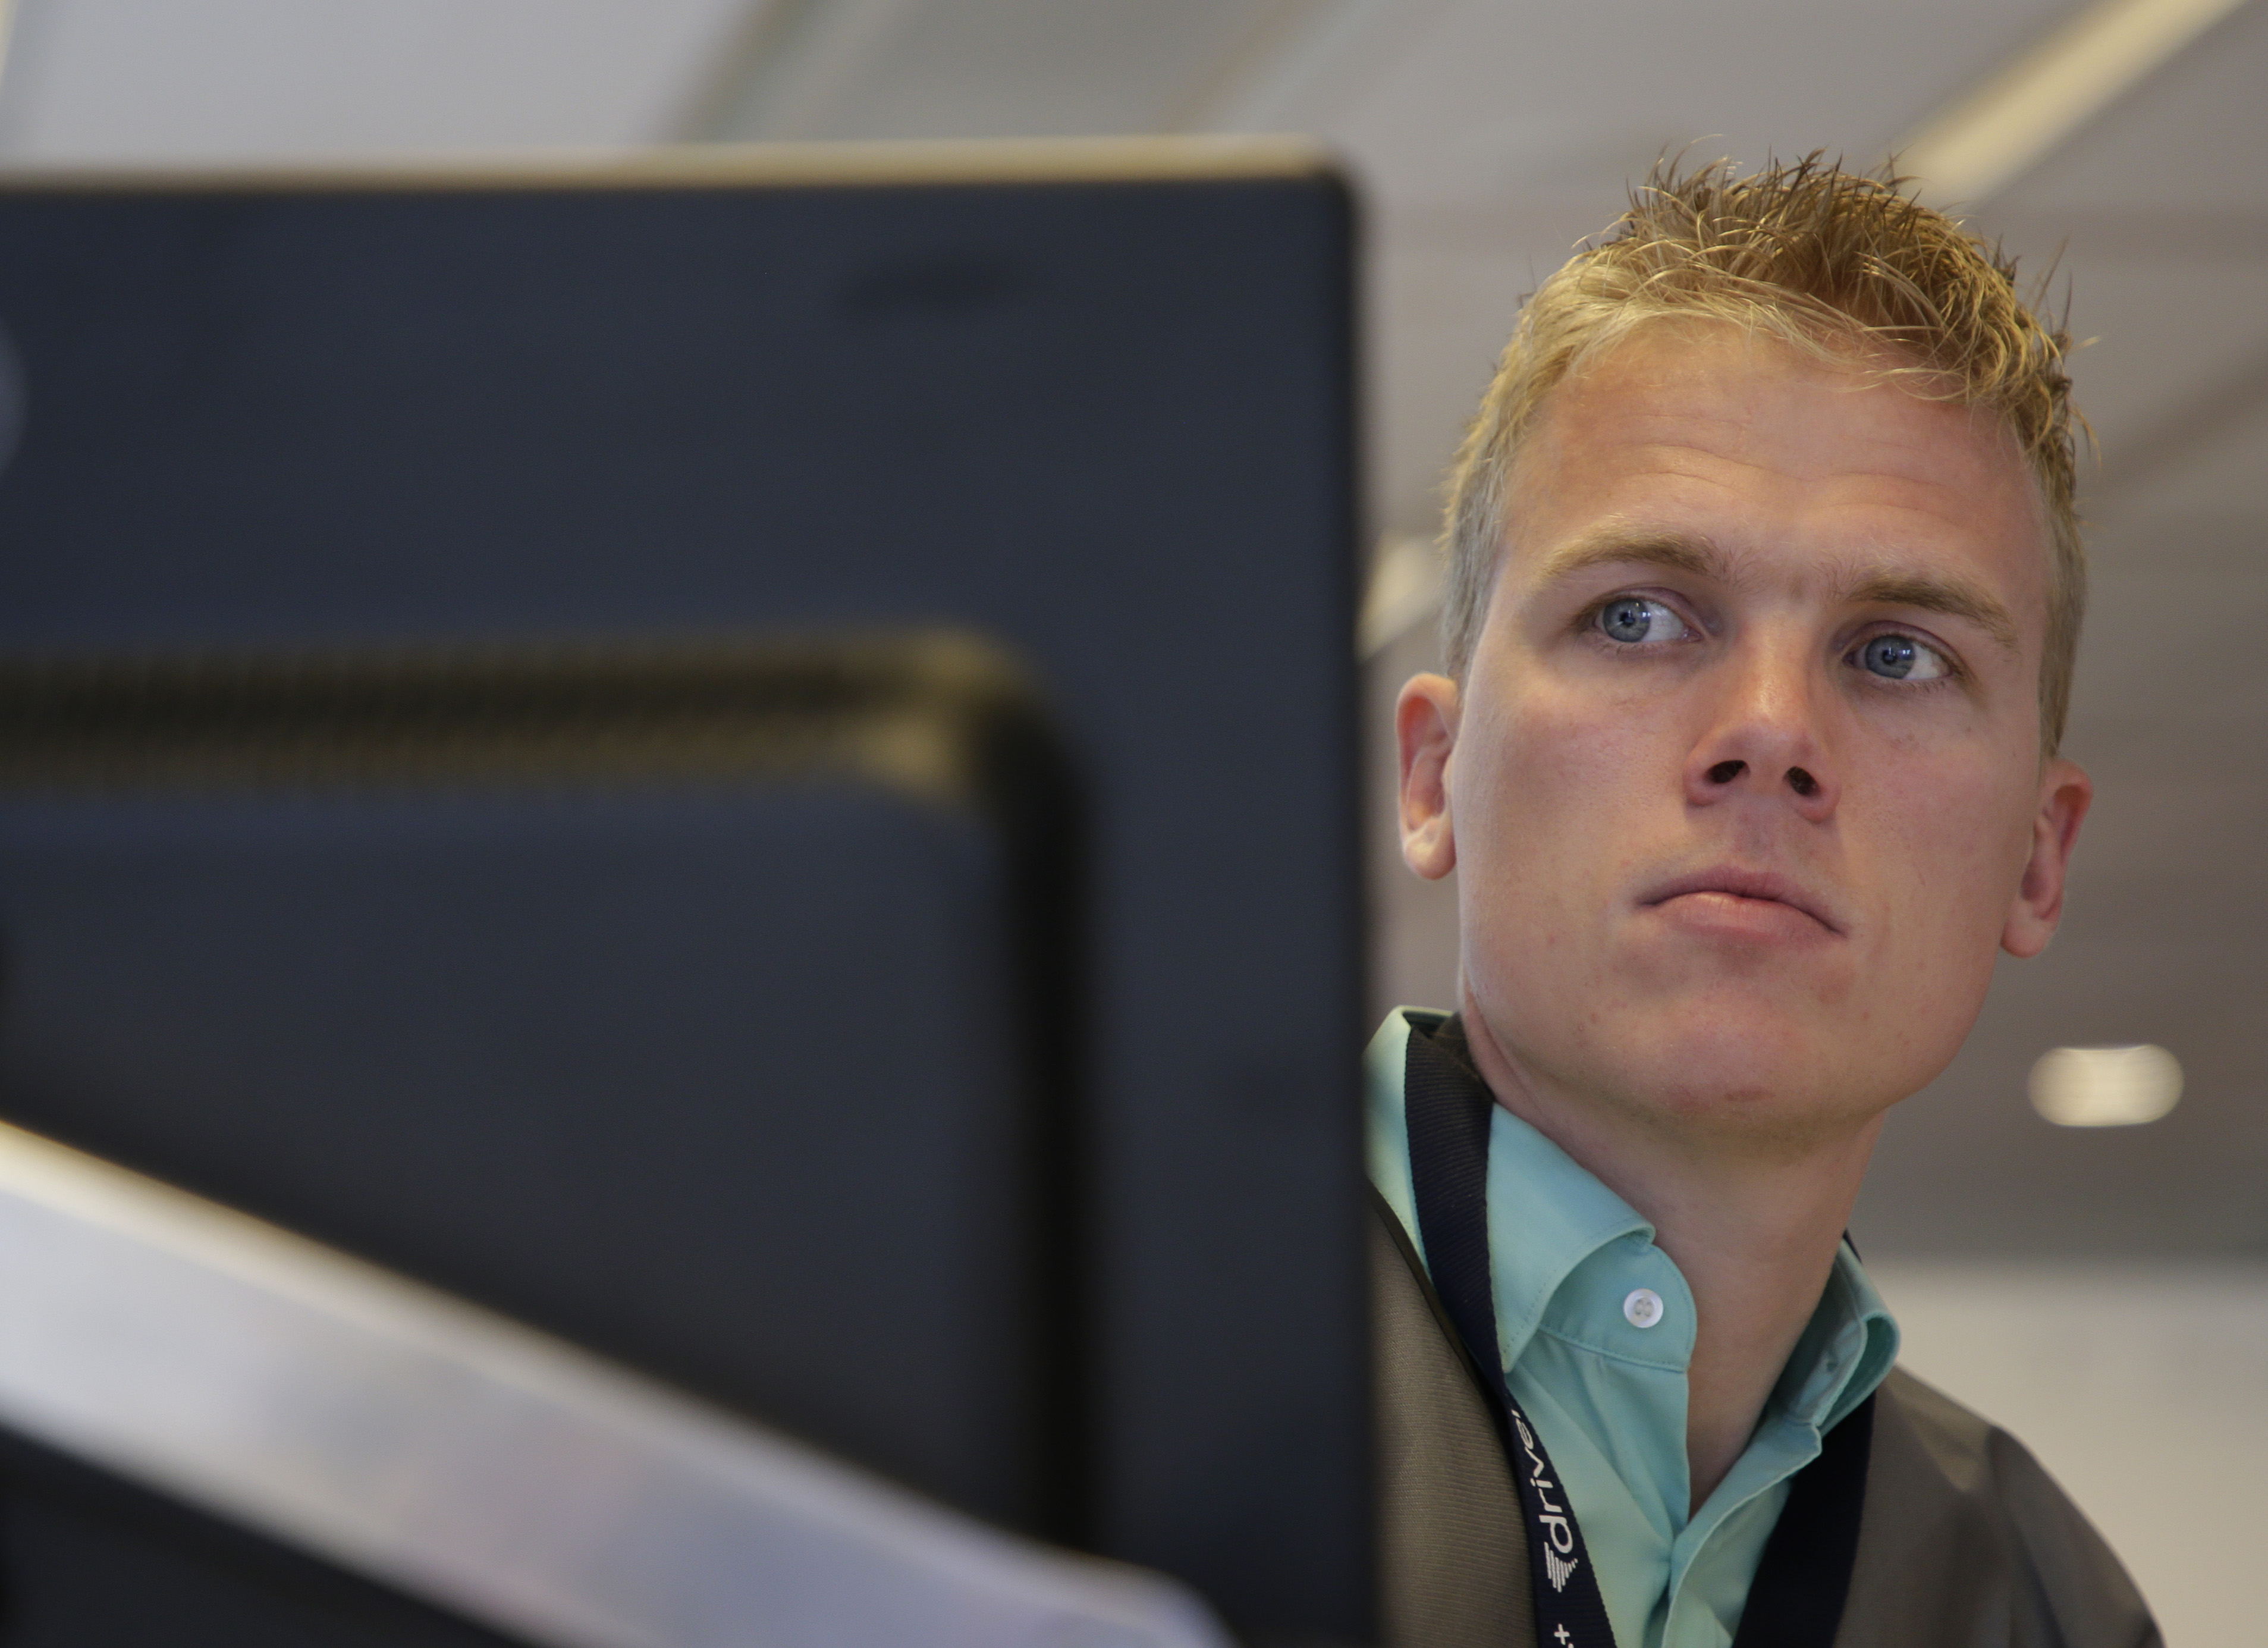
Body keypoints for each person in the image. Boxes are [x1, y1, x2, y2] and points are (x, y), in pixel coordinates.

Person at [1371, 156, 2160, 1648]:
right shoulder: (1077, 1367)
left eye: (1894, 653)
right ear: (1432, 775)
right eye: (1635, 616)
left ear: (2034, 857)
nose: (1769, 731)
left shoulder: (2036, 1601)